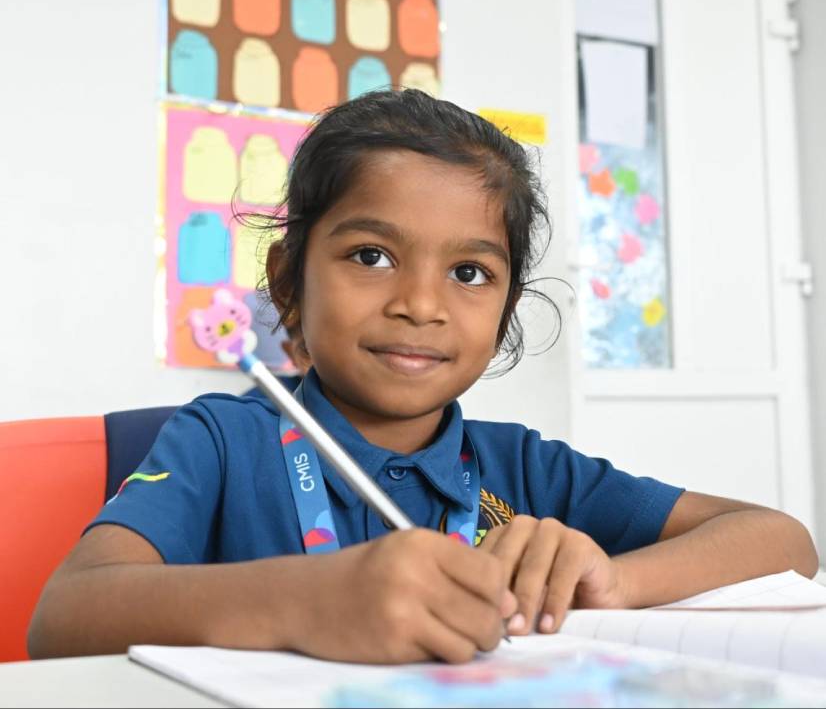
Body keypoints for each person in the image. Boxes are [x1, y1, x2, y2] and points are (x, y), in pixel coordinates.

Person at [29, 90, 818, 664]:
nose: (419, 305)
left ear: (507, 306)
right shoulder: (223, 439)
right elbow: (64, 615)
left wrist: (610, 578)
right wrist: (311, 601)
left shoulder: (525, 467)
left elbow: (785, 542)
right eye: (371, 256)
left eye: (470, 272)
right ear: (287, 281)